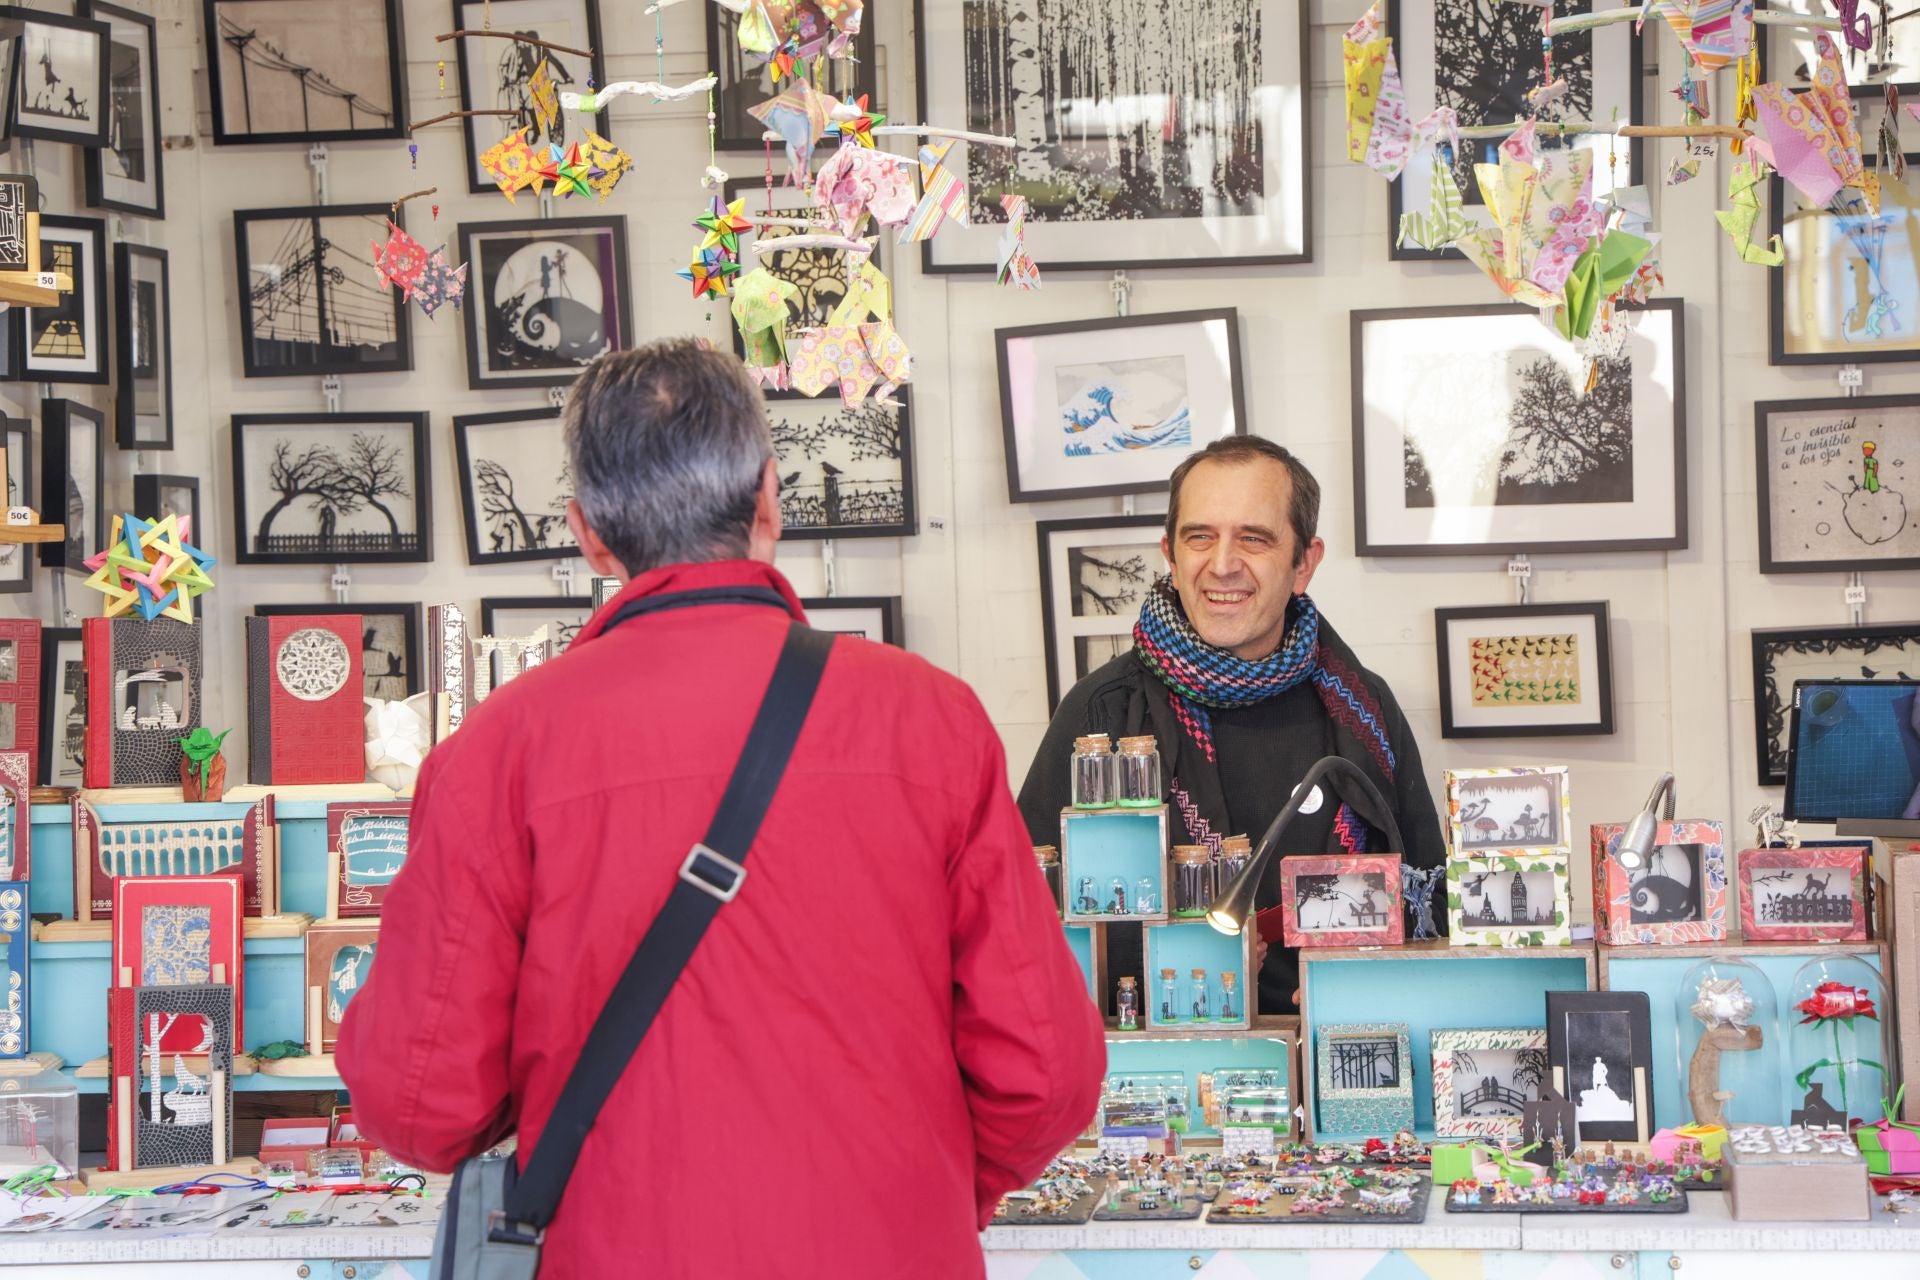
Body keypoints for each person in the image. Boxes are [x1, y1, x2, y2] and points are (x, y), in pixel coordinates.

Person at [338, 340, 1104, 1279]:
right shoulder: (930, 718)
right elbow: (1048, 1073)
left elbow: (418, 1101)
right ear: (769, 499)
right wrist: (922, 1183)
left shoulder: (496, 752)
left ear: (587, 533)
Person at [1018, 436, 1446, 1014]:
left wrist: (1368, 981)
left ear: (1304, 564)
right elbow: (1021, 917)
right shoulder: (1102, 716)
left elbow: (1431, 901)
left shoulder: (1364, 709)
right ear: (1170, 554)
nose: (1222, 564)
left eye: (1254, 538)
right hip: (1159, 1061)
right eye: (1200, 537)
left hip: (1333, 1052)